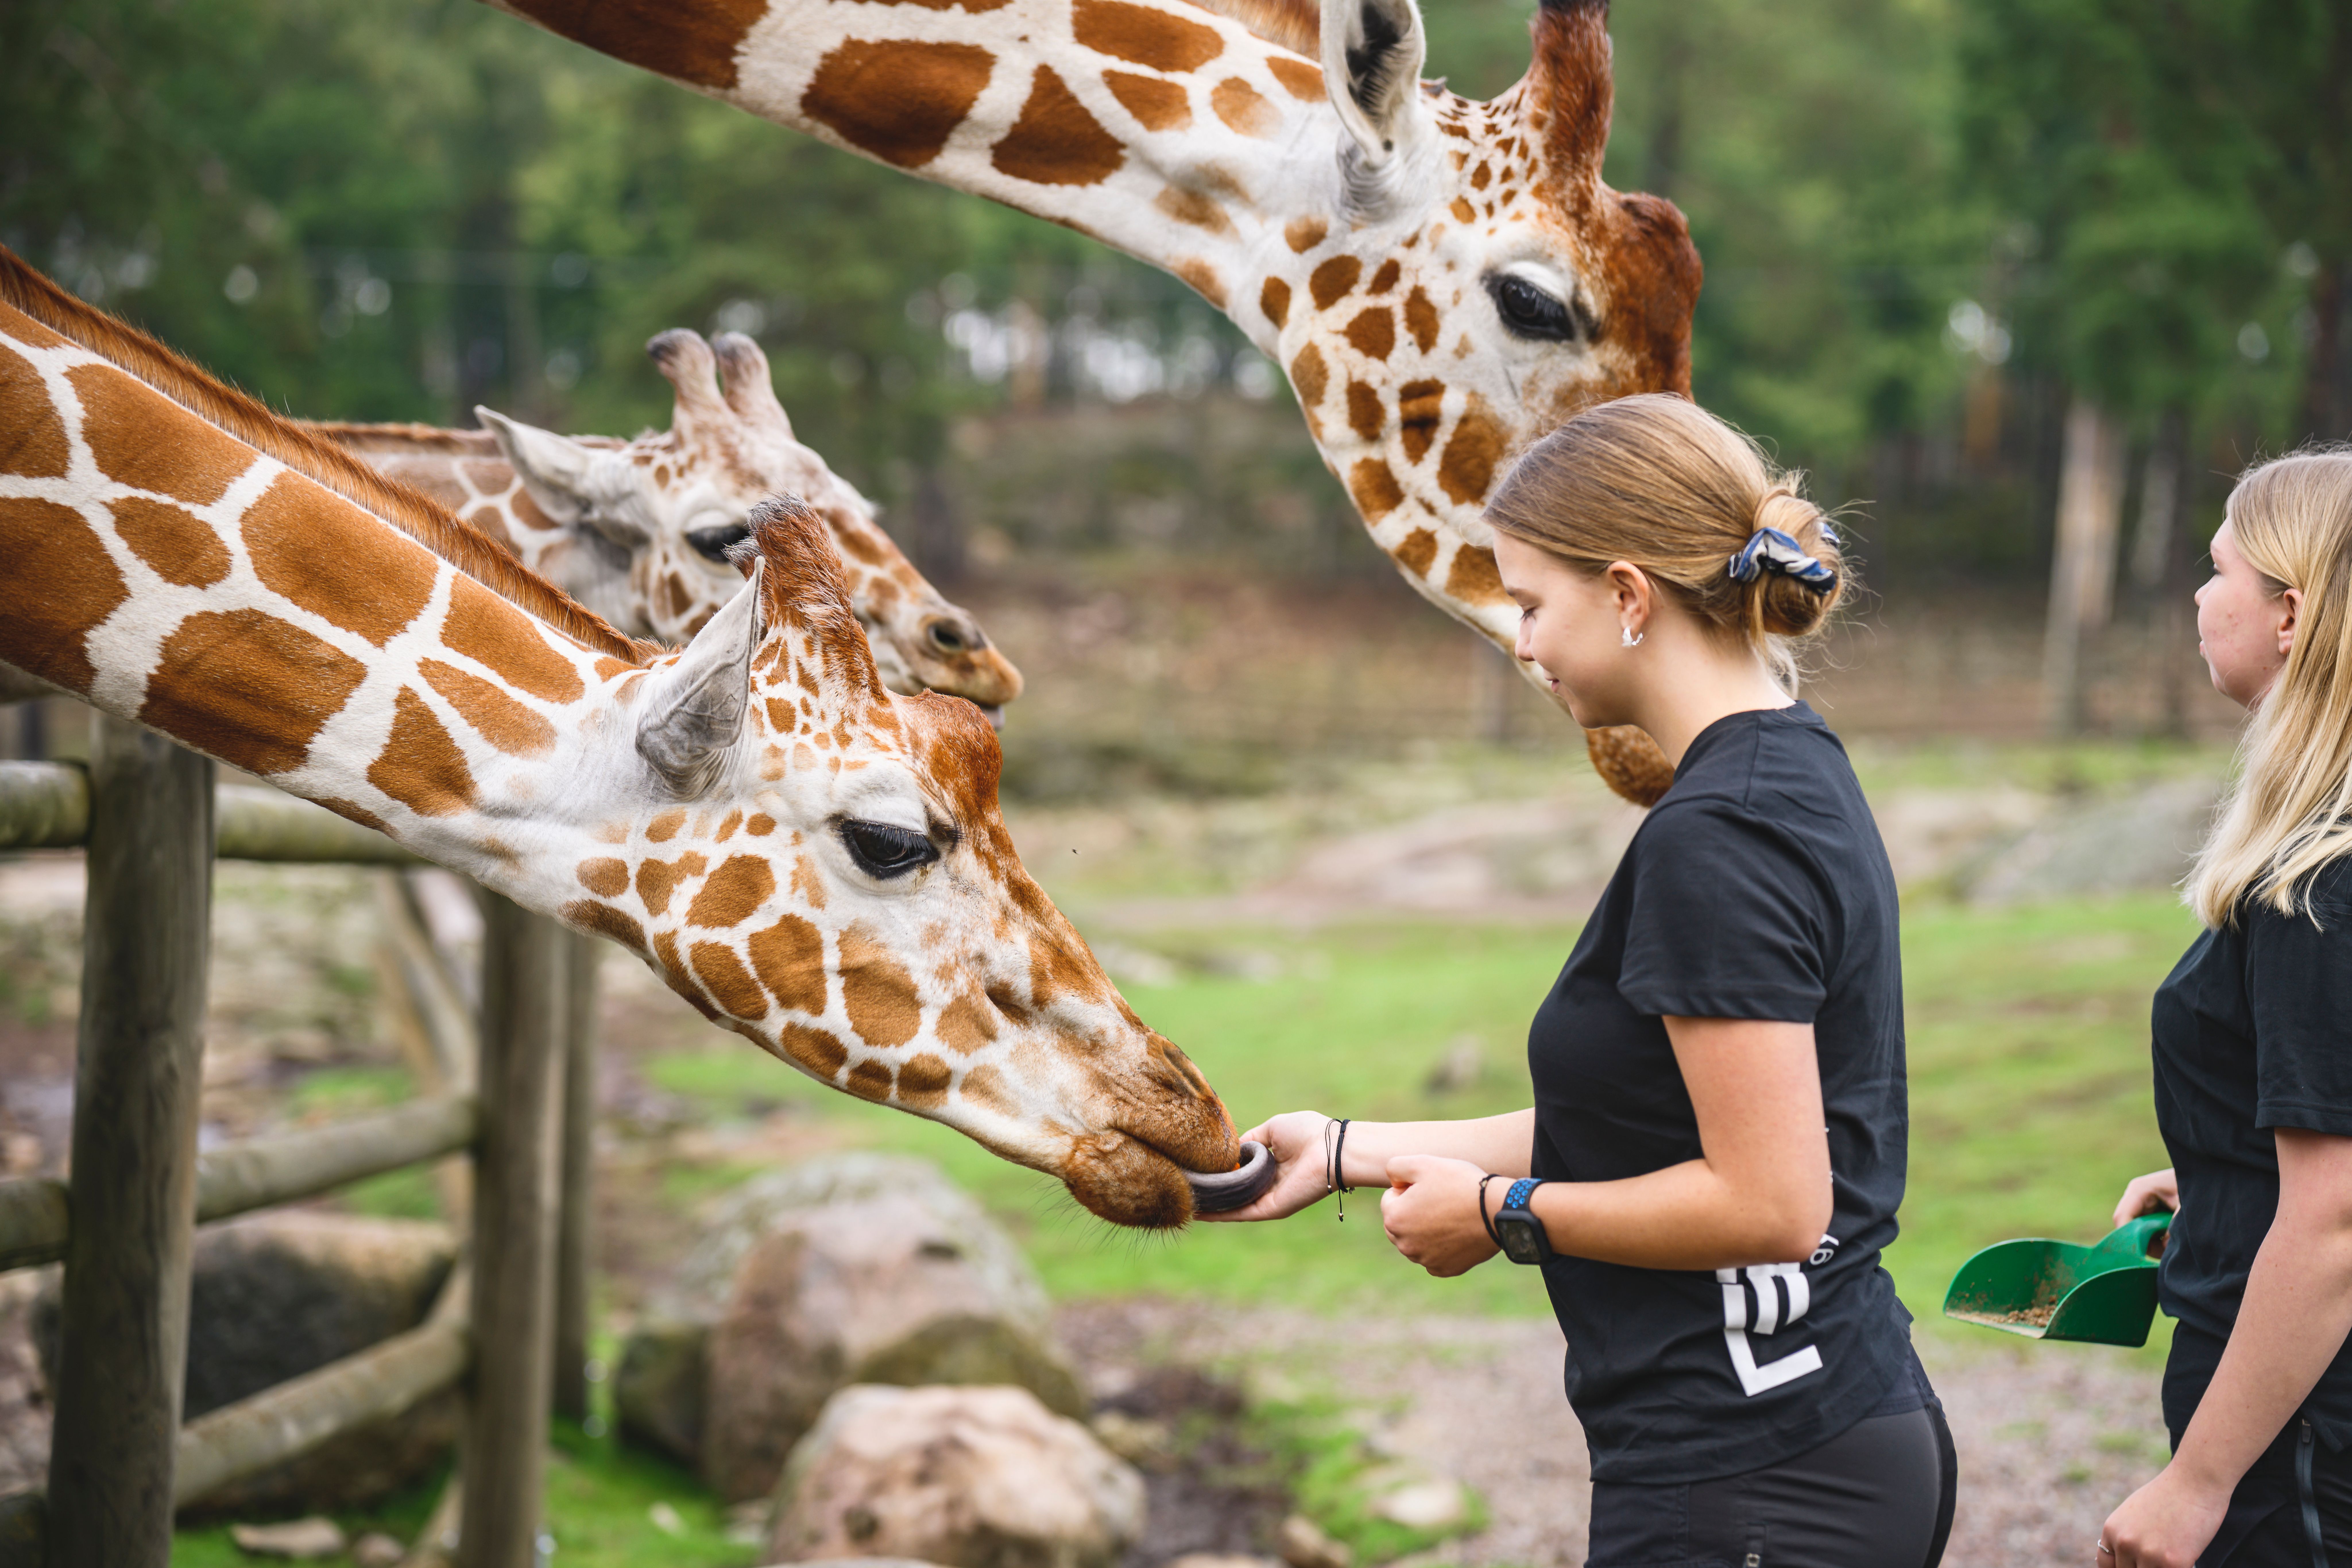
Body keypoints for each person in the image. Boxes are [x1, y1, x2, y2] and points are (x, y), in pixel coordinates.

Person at [1204, 392, 1953, 1566]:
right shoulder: (1786, 768)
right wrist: (1348, 1150)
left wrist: (1501, 1215)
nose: (1519, 643)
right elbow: (1642, 1123)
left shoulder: (1720, 838)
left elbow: (1771, 1205)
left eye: (1530, 604)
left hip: (1758, 1472)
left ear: (1626, 595)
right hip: (1795, 1444)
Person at [2098, 447, 2352, 1568]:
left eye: (2218, 571)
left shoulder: (2318, 884)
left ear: (2291, 613)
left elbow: (2334, 1222)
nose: (2199, 600)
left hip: (2302, 1439)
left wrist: (2196, 1485)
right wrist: (2223, 1171)